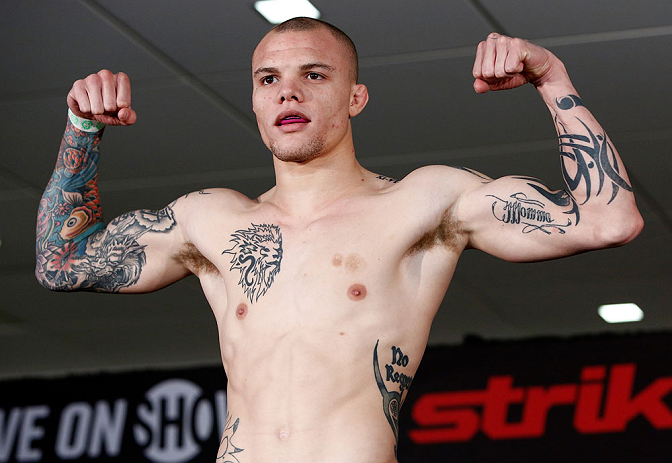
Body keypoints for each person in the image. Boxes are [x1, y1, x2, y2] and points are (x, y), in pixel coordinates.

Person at [35, 17, 643, 463]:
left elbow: (608, 221)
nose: (287, 92)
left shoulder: (421, 202)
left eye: (313, 75)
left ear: (356, 97)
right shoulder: (210, 219)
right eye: (268, 78)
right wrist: (82, 130)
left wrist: (551, 77)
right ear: (254, 99)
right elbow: (60, 263)